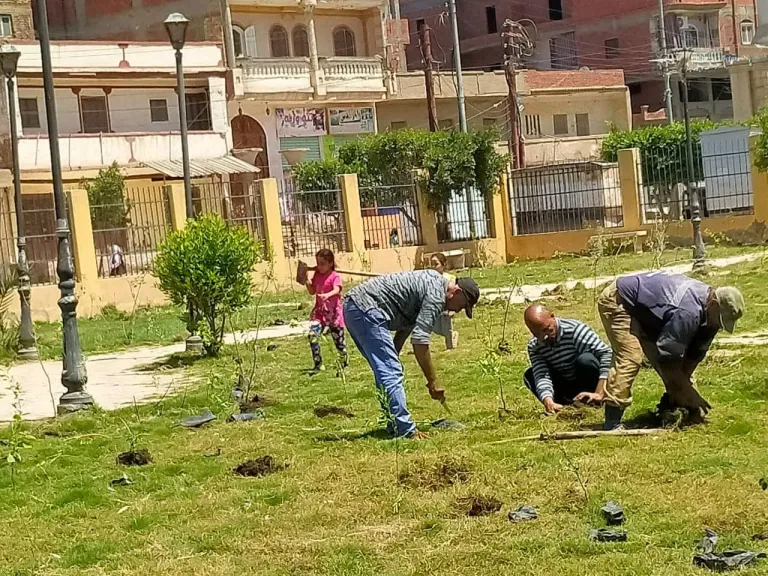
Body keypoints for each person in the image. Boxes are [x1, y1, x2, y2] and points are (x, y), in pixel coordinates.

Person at [576, 272, 745, 429]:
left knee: (680, 378)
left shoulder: (710, 316)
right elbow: (668, 359)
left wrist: (683, 391)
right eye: (720, 319)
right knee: (630, 357)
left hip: (649, 311)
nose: (718, 325)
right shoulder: (687, 311)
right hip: (620, 300)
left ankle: (673, 410)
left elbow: (692, 357)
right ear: (714, 304)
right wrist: (686, 391)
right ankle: (612, 420)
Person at [343, 270, 480, 438]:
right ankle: (405, 431)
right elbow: (420, 343)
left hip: (356, 307)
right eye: (463, 305)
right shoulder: (437, 295)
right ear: (456, 292)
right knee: (390, 371)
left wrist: (395, 351)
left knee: (387, 370)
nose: (458, 310)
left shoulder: (433, 283)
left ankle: (394, 424)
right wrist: (433, 380)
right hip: (366, 308)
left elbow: (407, 324)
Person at [523, 303, 613, 414]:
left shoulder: (575, 330)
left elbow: (606, 353)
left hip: (586, 380)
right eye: (537, 334)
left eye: (548, 330)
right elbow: (542, 374)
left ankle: (595, 400)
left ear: (553, 316)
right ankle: (560, 407)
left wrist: (600, 392)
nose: (544, 337)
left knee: (586, 360)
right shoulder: (535, 346)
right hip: (566, 385)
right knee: (530, 375)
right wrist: (547, 399)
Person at [303, 249, 348, 375]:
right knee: (312, 336)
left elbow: (337, 290)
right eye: (318, 263)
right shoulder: (317, 275)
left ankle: (343, 362)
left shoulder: (335, 276)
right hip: (320, 314)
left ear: (330, 263)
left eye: (322, 263)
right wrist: (306, 280)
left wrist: (327, 295)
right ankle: (318, 364)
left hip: (334, 315)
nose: (319, 266)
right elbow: (312, 291)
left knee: (339, 342)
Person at [430, 252, 459, 350]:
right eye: (432, 264)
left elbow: (453, 294)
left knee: (446, 326)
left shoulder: (449, 278)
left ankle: (449, 347)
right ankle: (452, 334)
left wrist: (453, 309)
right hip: (435, 307)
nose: (433, 267)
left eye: (436, 264)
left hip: (447, 307)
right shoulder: (429, 278)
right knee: (436, 328)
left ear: (443, 264)